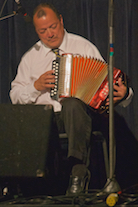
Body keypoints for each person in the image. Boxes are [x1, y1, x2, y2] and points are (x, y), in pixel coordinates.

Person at [10, 3, 133, 195]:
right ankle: (31, 189)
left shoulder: (83, 46)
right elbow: (15, 97)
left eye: (53, 27)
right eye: (43, 31)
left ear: (61, 21)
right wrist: (35, 87)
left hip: (81, 118)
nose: (49, 34)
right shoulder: (30, 58)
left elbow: (106, 83)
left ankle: (78, 172)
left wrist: (125, 94)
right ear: (36, 31)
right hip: (45, 123)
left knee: (72, 103)